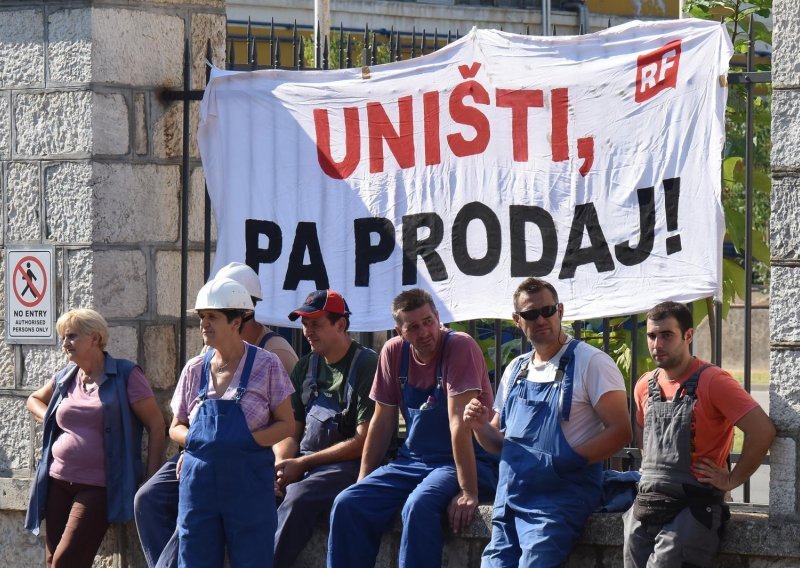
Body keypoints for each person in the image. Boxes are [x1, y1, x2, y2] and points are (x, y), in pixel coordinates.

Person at [134, 262, 298, 568]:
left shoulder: (268, 364)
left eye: (213, 317)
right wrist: (196, 440)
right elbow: (176, 425)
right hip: (199, 485)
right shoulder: (195, 368)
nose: (204, 324)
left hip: (248, 482)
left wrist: (246, 440)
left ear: (237, 321)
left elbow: (286, 424)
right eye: (201, 317)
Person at [464, 277, 631, 566]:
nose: (541, 319)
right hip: (509, 500)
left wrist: (565, 461)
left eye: (548, 310)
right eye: (530, 314)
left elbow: (621, 431)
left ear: (561, 311)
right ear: (518, 320)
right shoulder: (515, 369)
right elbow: (496, 443)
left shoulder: (592, 362)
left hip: (557, 503)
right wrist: (479, 426)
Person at [328, 288, 499, 568]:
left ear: (438, 317)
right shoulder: (393, 352)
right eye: (414, 327)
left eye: (429, 321)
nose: (424, 332)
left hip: (466, 460)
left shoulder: (460, 346)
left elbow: (459, 425)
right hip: (414, 460)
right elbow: (382, 422)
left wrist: (468, 491)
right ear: (399, 331)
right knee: (348, 503)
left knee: (419, 506)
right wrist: (364, 480)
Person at [623, 301, 776, 567]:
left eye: (666, 335)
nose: (657, 344)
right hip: (645, 507)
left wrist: (732, 480)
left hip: (692, 509)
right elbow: (641, 430)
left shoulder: (714, 381)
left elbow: (762, 431)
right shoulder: (644, 385)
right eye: (651, 335)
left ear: (688, 335)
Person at [24, 308, 165, 568]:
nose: (65, 343)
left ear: (96, 338)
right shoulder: (66, 376)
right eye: (63, 337)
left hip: (99, 486)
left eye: (72, 336)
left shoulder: (126, 375)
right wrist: (49, 417)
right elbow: (33, 400)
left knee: (65, 562)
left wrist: (151, 478)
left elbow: (157, 425)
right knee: (53, 560)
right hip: (57, 481)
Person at [273, 289, 378, 567]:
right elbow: (291, 429)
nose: (308, 331)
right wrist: (282, 463)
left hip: (348, 463)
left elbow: (363, 440)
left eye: (316, 324)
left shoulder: (367, 365)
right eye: (305, 324)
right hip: (306, 460)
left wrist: (302, 463)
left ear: (340, 325)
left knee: (298, 496)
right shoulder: (305, 366)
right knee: (256, 485)